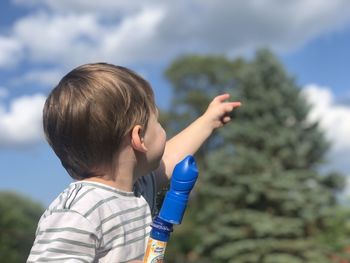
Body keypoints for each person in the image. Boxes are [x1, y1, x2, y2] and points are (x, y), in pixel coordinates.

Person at [27, 63, 241, 263]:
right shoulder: (79, 210)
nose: (162, 130)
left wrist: (208, 120)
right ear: (138, 138)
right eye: (157, 122)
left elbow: (169, 158)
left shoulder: (137, 187)